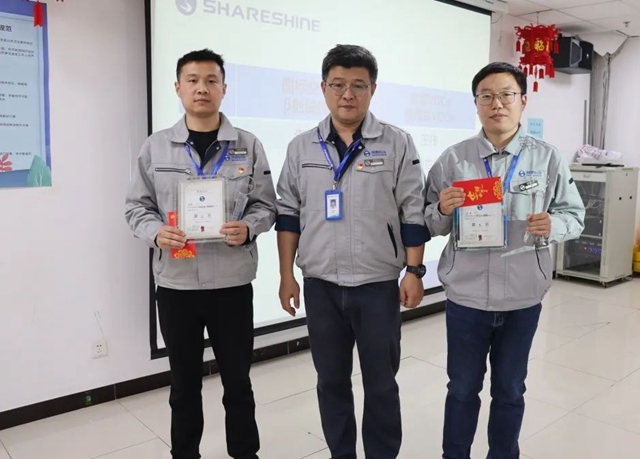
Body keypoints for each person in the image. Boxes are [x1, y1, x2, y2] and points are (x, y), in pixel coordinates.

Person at [275, 44, 431, 459]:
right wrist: (287, 275)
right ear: (323, 88)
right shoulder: (301, 147)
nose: (348, 94)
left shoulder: (396, 143)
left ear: (372, 89)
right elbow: (288, 214)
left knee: (381, 384)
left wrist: (414, 272)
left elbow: (412, 210)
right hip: (321, 285)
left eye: (358, 85)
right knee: (331, 382)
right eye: (338, 84)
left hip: (377, 285)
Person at [424, 62, 585, 459]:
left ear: (522, 100)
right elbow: (427, 222)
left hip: (521, 298)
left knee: (510, 390)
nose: (497, 104)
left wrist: (554, 224)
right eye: (487, 96)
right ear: (476, 103)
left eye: (506, 95)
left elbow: (575, 215)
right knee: (462, 389)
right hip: (467, 298)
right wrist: (442, 208)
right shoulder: (453, 160)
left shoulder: (548, 159)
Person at [125, 49, 276, 459]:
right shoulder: (156, 147)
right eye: (192, 80)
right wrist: (157, 233)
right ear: (178, 88)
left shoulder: (248, 145)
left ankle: (245, 453)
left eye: (211, 80)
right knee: (184, 386)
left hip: (231, 284)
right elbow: (136, 208)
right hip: (177, 286)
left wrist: (249, 227)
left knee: (238, 384)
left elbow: (266, 206)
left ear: (224, 88)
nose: (202, 88)